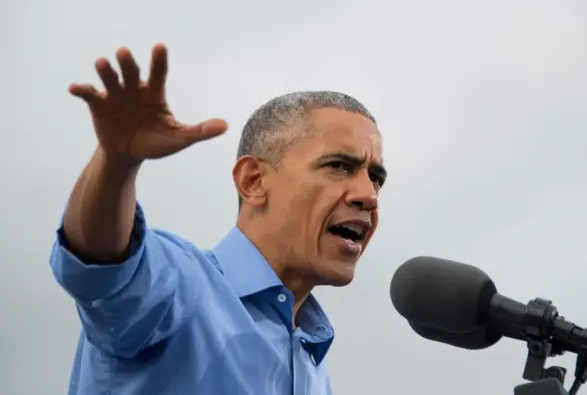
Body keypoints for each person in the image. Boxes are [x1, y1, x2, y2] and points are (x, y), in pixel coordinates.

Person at [50, 43, 387, 395]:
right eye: (339, 166)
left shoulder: (313, 363)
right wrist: (116, 162)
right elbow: (99, 264)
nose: (368, 195)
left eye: (376, 178)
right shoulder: (178, 288)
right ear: (253, 181)